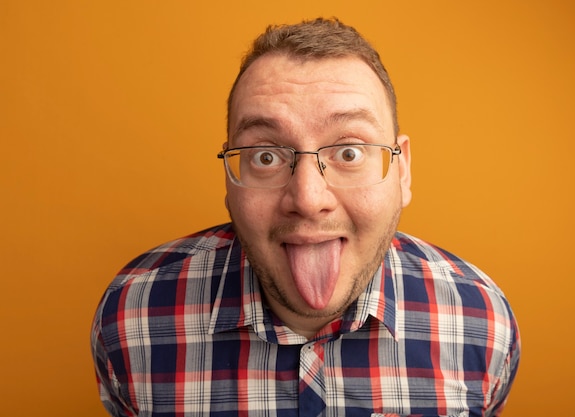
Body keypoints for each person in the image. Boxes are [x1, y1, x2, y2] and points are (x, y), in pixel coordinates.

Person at [91, 17, 520, 417]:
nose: (308, 199)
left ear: (402, 171)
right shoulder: (132, 318)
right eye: (265, 156)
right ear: (229, 181)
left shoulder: (482, 322)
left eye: (349, 152)